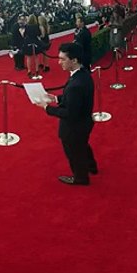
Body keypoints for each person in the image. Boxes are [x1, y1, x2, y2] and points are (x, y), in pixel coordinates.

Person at [37, 42, 98, 186]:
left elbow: (69, 113)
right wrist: (56, 98)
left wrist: (47, 108)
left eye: (63, 59)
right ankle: (91, 167)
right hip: (84, 122)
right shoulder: (83, 74)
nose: (59, 62)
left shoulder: (76, 84)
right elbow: (76, 100)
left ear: (74, 60)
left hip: (74, 127)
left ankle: (80, 178)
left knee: (74, 153)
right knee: (83, 146)